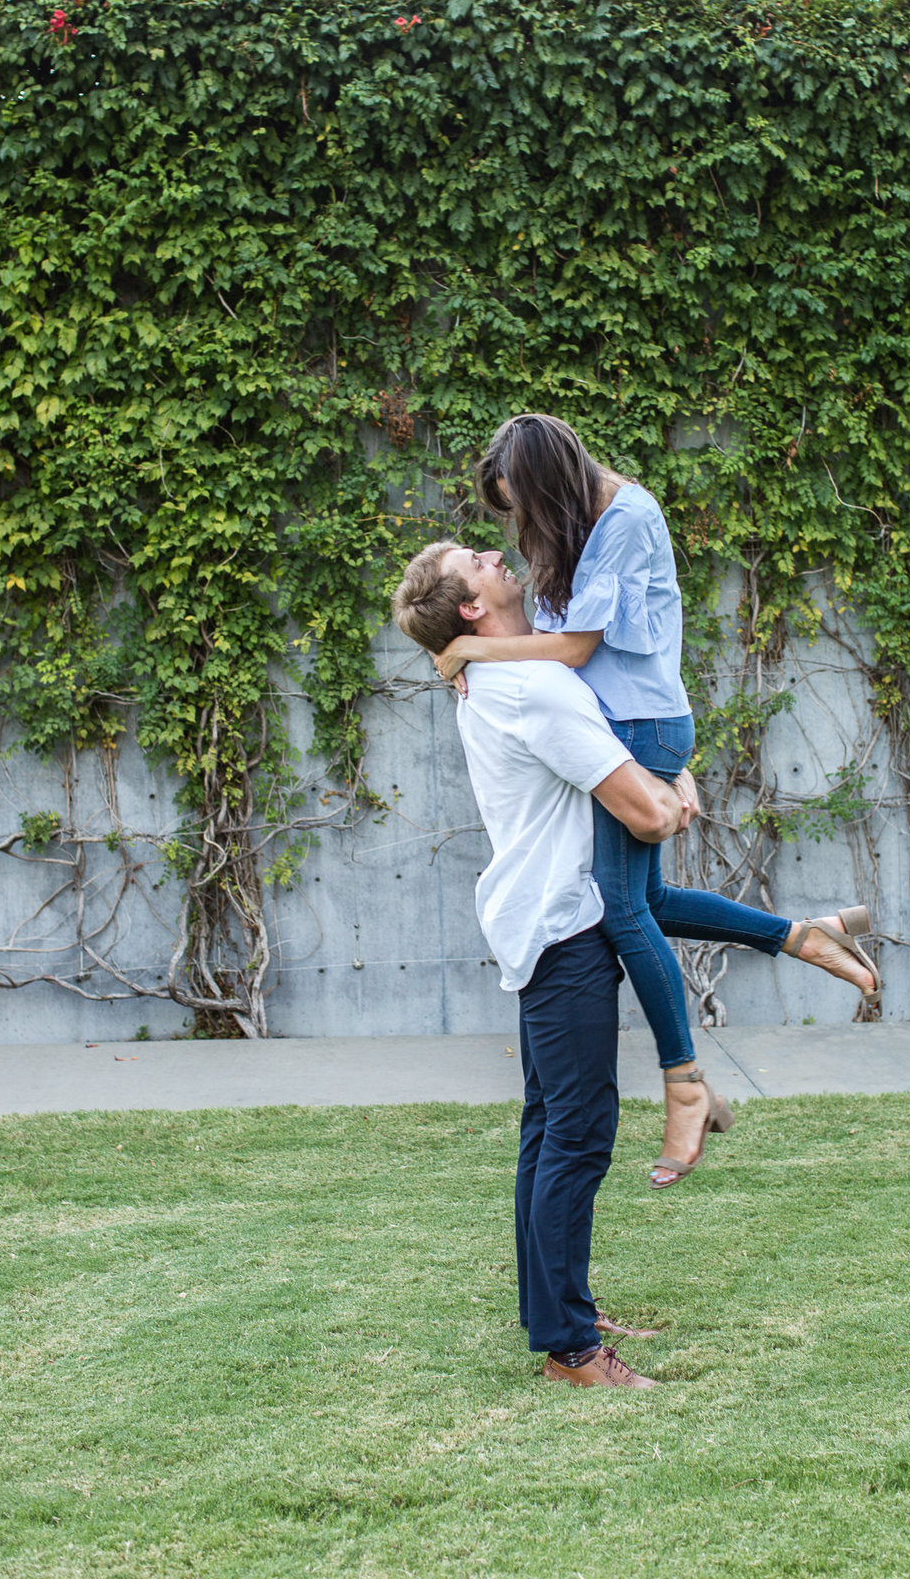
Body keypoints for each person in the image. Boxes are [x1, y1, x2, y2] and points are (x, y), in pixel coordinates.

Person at [434, 414, 882, 1187]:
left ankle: (684, 1084)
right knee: (646, 896)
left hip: (636, 725)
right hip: (629, 726)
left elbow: (576, 651)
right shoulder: (579, 523)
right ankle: (801, 936)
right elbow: (565, 643)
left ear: (549, 479)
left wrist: (472, 645)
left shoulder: (624, 518)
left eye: (522, 505)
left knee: (620, 908)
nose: (519, 527)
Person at [392, 538, 708, 1387]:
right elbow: (642, 815)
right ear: (469, 607)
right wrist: (674, 796)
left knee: (549, 1128)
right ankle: (570, 1349)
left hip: (541, 915)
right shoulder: (531, 686)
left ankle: (556, 1310)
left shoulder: (495, 674)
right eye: (478, 559)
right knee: (576, 1134)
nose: (497, 553)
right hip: (565, 924)